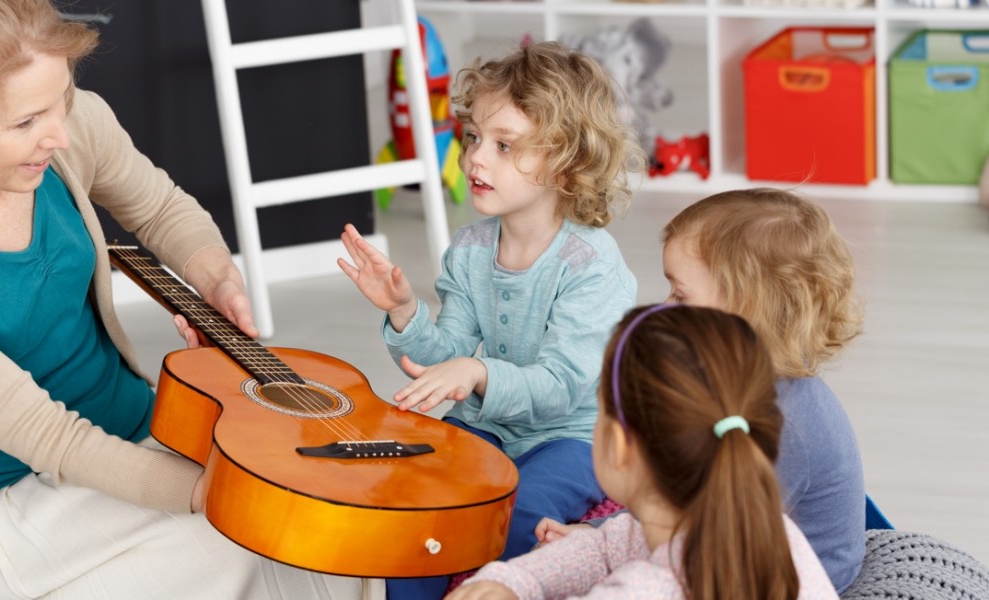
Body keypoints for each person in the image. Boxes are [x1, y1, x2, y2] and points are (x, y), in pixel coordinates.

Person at [0, 1, 380, 598]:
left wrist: (215, 273)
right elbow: (47, 435)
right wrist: (209, 490)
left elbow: (160, 207)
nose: (59, 134)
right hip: (1, 508)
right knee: (257, 536)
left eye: (61, 99)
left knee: (324, 525)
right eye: (25, 122)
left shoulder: (66, 128)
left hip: (136, 432)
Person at [337, 41, 642, 599]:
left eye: (506, 146)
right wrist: (405, 311)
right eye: (475, 137)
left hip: (572, 437)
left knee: (515, 513)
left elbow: (558, 388)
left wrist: (476, 375)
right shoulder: (472, 247)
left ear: (567, 163)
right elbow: (442, 356)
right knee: (417, 497)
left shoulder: (593, 267)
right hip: (485, 426)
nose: (477, 158)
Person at [538, 188, 866, 593]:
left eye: (680, 294)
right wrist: (596, 536)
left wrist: (600, 547)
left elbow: (702, 527)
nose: (664, 305)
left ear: (745, 310)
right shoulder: (734, 383)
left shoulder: (780, 425)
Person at [449, 304, 839, 599]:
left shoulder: (636, 590)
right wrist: (515, 580)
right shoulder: (764, 528)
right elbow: (604, 549)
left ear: (619, 445)